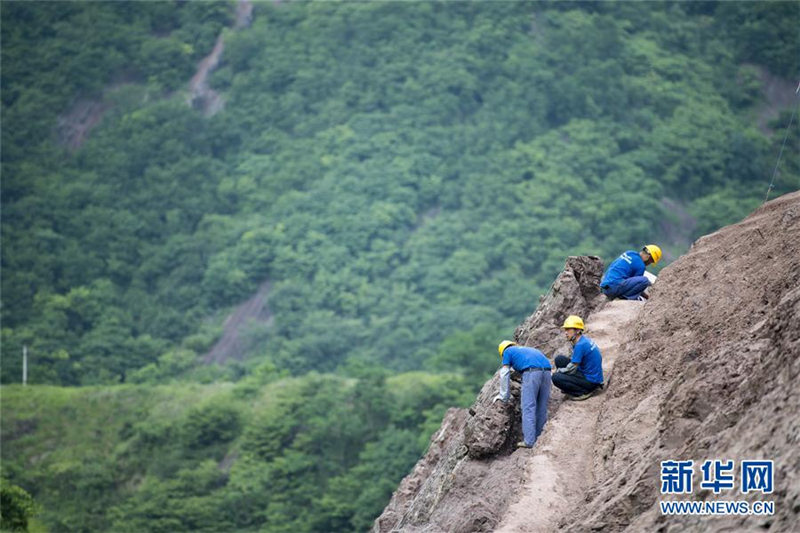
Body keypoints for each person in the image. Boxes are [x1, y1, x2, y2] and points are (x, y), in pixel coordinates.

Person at [493, 340, 552, 449]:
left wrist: (503, 395)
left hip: (531, 373)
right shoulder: (525, 350)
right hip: (547, 372)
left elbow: (505, 373)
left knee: (528, 407)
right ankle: (540, 438)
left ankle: (529, 441)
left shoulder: (507, 352)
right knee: (541, 407)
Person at [552, 315, 603, 401]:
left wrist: (558, 371)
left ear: (578, 331)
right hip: (593, 376)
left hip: (591, 381)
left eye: (568, 330)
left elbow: (571, 369)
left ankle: (583, 392)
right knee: (559, 359)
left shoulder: (580, 345)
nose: (566, 333)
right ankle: (573, 386)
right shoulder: (583, 340)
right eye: (565, 330)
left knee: (556, 377)